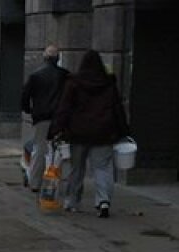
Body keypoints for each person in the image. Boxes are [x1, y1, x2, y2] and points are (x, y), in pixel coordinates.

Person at [50, 49, 129, 218]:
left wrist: (56, 129)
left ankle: (72, 202)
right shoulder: (108, 84)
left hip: (78, 133)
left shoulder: (73, 83)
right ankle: (103, 201)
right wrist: (123, 131)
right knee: (102, 168)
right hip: (103, 133)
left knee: (76, 168)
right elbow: (117, 109)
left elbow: (64, 109)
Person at [21, 45, 69, 193]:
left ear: (45, 57)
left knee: (39, 149)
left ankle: (35, 183)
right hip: (60, 118)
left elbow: (25, 96)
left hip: (41, 117)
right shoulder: (65, 75)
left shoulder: (35, 75)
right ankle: (57, 183)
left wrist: (29, 109)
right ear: (58, 58)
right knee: (60, 151)